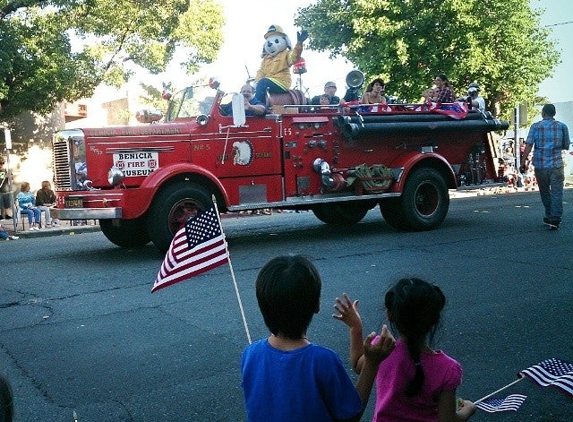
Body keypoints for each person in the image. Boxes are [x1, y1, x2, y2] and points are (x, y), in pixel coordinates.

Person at [241, 255, 396, 422]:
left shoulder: (250, 354)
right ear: (317, 305)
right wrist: (372, 363)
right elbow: (350, 416)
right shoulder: (323, 360)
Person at [334, 278, 476, 422]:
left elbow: (359, 365)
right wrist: (468, 409)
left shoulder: (381, 350)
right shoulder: (448, 369)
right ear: (435, 319)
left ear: (389, 315)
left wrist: (355, 328)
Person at [520, 103, 570, 229]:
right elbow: (566, 145)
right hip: (557, 164)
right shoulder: (562, 126)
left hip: (540, 165)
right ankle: (555, 218)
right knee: (557, 193)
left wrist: (523, 162)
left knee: (545, 192)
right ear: (554, 114)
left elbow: (529, 145)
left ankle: (549, 214)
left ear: (543, 113)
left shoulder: (535, 127)